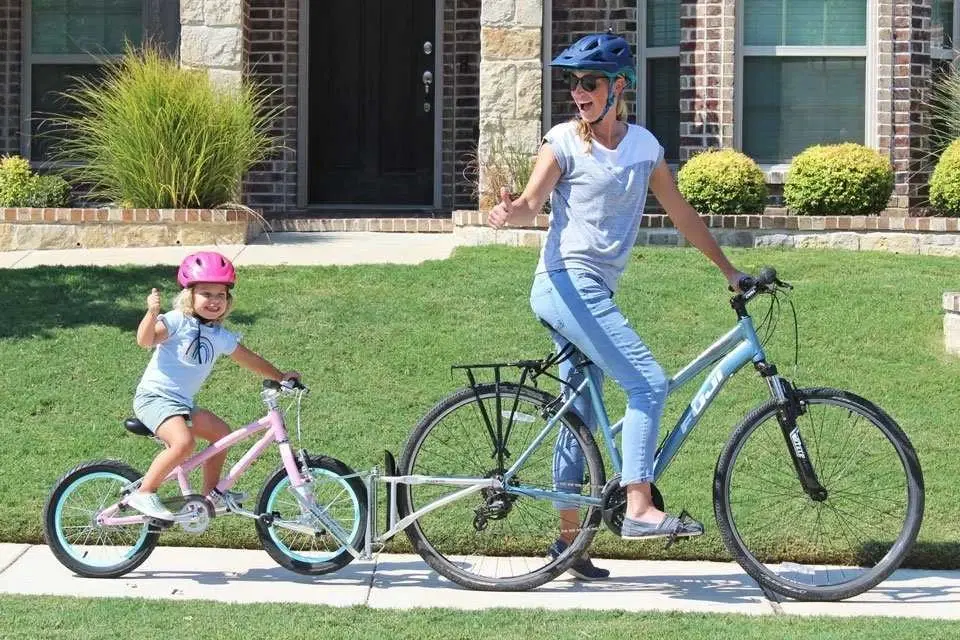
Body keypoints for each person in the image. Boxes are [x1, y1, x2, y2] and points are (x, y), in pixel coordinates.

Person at [488, 32, 750, 580]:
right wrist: (508, 211)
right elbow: (533, 204)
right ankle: (637, 506)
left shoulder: (644, 148)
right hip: (565, 284)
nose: (579, 93)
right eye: (574, 84)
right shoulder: (562, 141)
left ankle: (569, 544)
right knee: (649, 383)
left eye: (590, 83)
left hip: (591, 292)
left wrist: (730, 271)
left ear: (618, 87)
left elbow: (681, 215)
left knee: (578, 411)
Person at [125, 251, 300, 521]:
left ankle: (210, 496)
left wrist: (280, 376)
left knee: (222, 434)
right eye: (206, 294)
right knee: (184, 443)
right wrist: (151, 313)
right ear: (190, 296)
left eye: (221, 295)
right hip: (154, 398)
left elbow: (248, 358)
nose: (214, 301)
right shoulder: (175, 321)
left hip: (182, 404)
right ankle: (144, 492)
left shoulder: (218, 335)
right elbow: (145, 341)